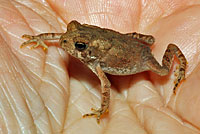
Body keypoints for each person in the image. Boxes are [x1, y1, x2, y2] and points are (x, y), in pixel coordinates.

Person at [0, 0, 199, 133]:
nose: (67, 43)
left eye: (79, 46)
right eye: (73, 33)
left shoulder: (97, 63)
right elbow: (63, 37)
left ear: (89, 50)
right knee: (147, 39)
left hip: (141, 56)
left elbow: (105, 87)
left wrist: (103, 109)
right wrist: (39, 38)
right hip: (123, 41)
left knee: (163, 71)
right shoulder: (83, 47)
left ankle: (179, 60)